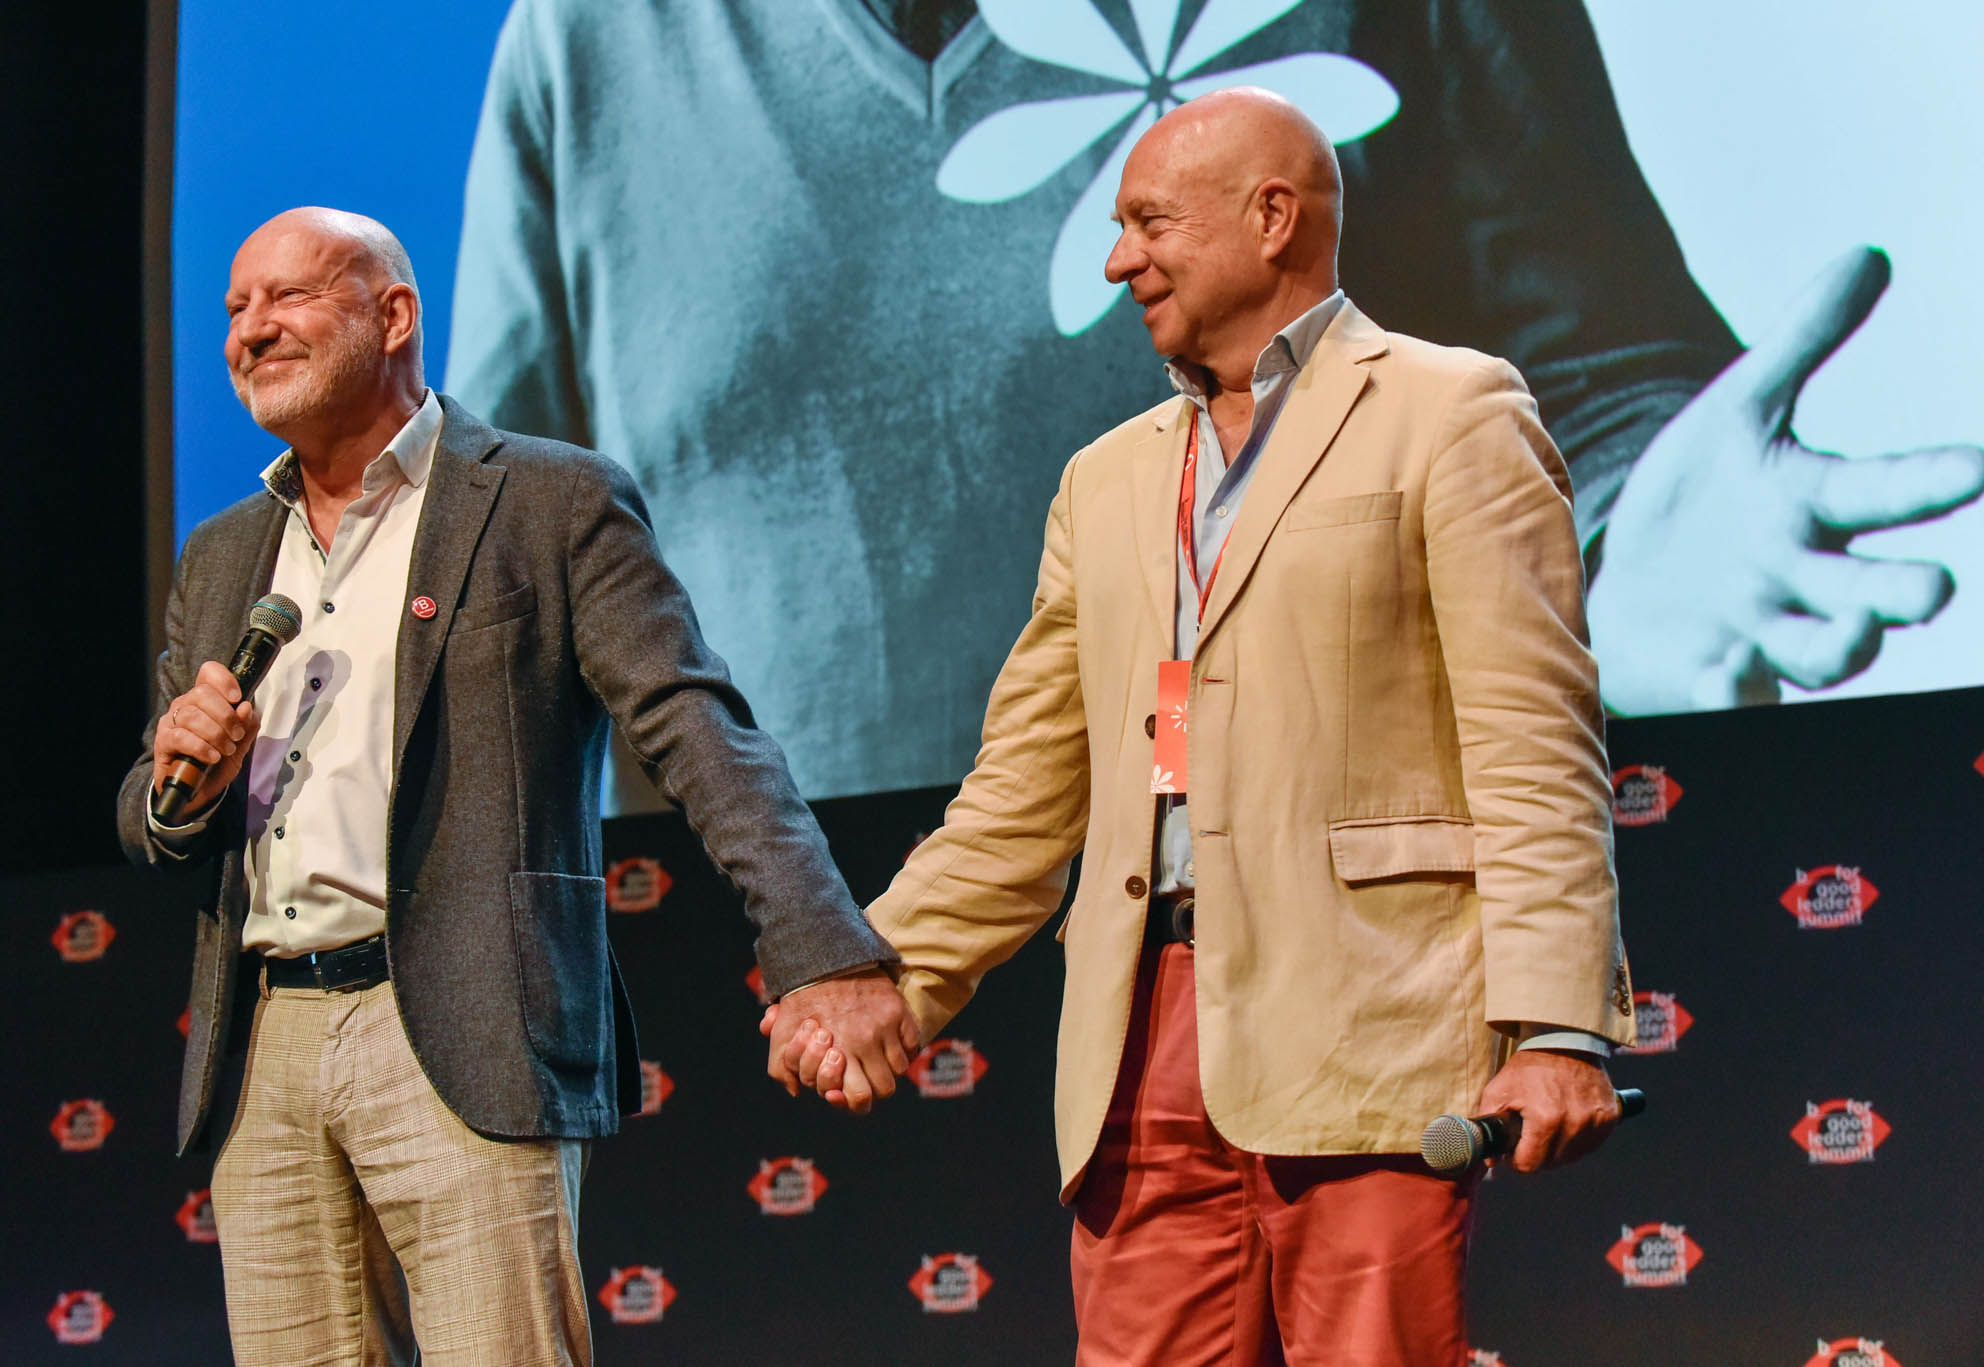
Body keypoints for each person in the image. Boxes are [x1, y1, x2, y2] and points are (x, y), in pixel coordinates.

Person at [446, 0, 1983, 814]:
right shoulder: (580, 47)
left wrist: (1626, 544)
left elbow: (1592, 392)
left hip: (1294, 997)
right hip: (788, 1052)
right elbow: (504, 595)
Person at [773, 89, 1635, 1362]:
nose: (1116, 260)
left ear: (1271, 217)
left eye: (1147, 222)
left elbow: (1533, 747)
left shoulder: (1450, 410)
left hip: (1371, 1019)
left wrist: (1557, 1026)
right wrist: (879, 973)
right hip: (1141, 1037)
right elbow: (1025, 788)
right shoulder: (1107, 476)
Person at [115, 208, 917, 1365]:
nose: (250, 330)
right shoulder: (223, 550)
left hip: (461, 1026)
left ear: (394, 314)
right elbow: (151, 815)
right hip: (264, 1048)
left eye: (286, 297)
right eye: (236, 308)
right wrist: (180, 785)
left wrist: (818, 944)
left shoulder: (545, 499)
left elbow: (694, 727)